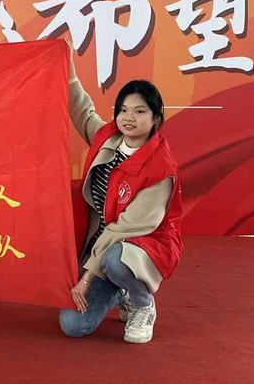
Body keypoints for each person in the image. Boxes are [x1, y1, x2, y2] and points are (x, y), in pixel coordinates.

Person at [59, 49, 182, 344]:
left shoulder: (160, 169)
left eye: (140, 111)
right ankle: (120, 290)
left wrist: (87, 277)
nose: (129, 118)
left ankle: (141, 302)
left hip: (141, 246)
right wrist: (67, 63)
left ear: (156, 118)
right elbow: (81, 110)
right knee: (73, 324)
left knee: (116, 260)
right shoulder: (108, 138)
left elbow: (122, 229)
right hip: (100, 244)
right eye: (123, 110)